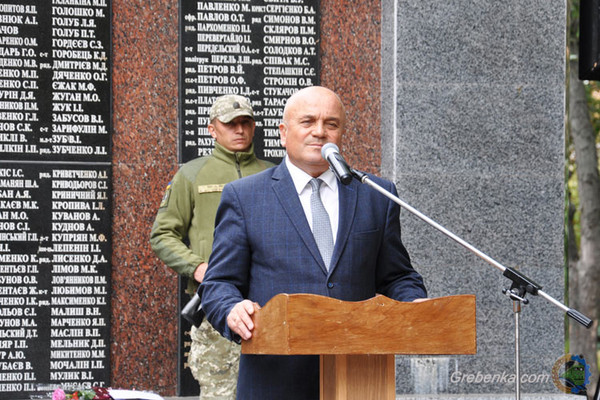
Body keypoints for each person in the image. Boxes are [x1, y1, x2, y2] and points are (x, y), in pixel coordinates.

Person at [199, 86, 427, 400]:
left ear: (342, 134)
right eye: (307, 122)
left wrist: (414, 305)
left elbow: (397, 276)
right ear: (283, 133)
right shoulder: (244, 197)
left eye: (331, 124)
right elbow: (219, 283)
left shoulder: (375, 195)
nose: (319, 132)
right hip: (274, 380)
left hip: (358, 379)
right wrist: (231, 309)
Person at [150, 94, 274, 399]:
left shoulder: (275, 174)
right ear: (212, 129)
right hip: (217, 310)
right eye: (230, 124)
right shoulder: (192, 174)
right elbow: (162, 234)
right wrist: (198, 267)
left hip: (269, 307)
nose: (239, 130)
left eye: (245, 122)